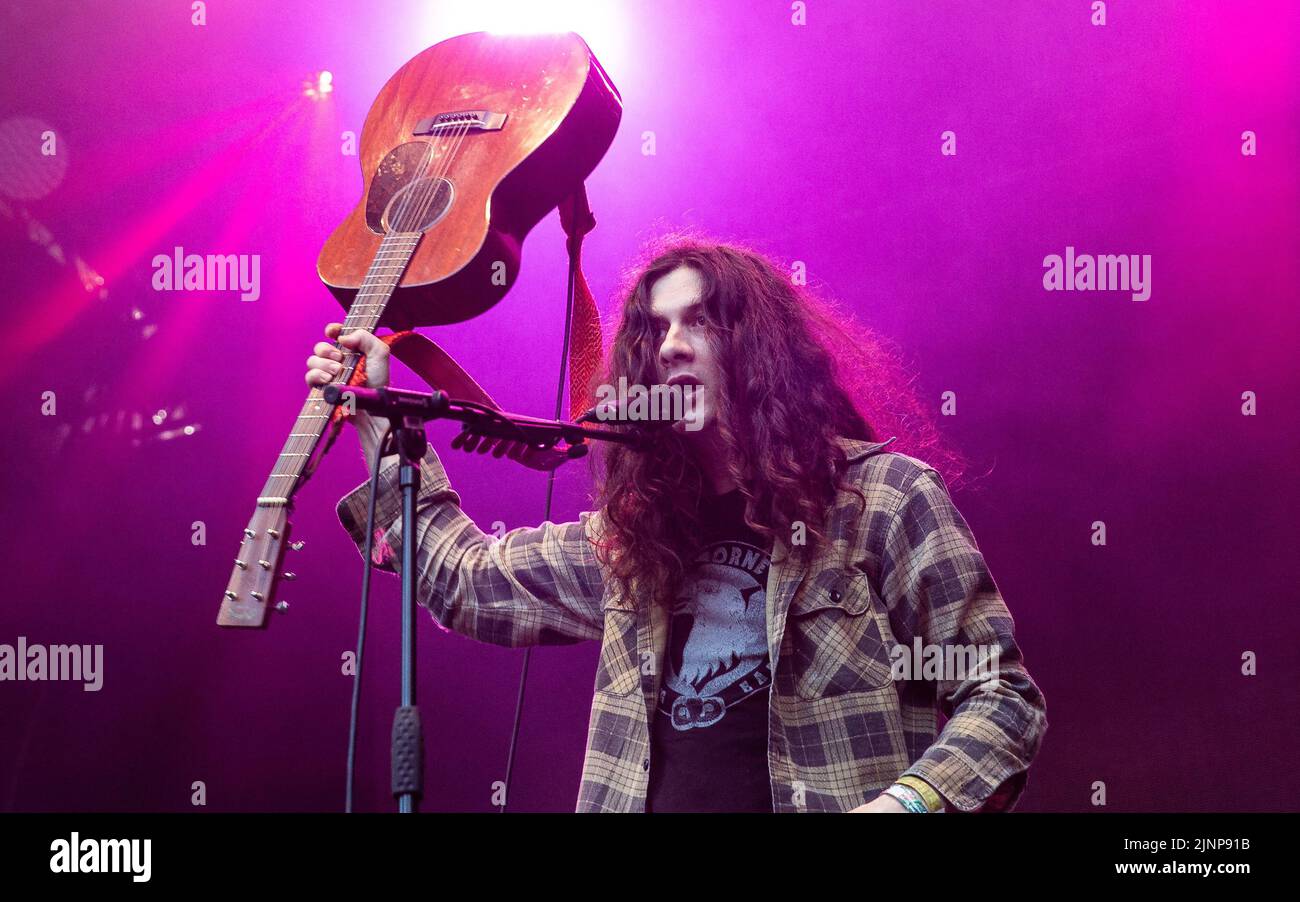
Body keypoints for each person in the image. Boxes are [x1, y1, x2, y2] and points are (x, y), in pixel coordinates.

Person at [305, 238, 1048, 813]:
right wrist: (382, 422)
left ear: (760, 348)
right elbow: (466, 581)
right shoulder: (635, 536)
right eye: (656, 330)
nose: (671, 345)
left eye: (700, 321)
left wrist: (906, 803)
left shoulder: (882, 500)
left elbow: (1000, 698)